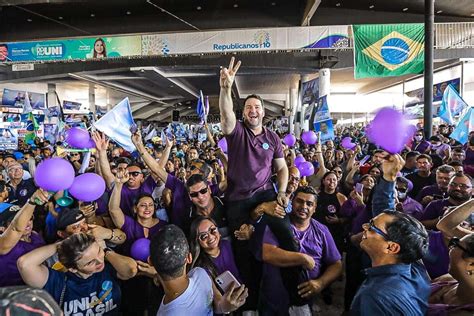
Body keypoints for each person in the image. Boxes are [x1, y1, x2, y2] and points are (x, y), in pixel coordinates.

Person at [261, 186, 343, 315]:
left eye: (309, 204)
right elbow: (268, 253)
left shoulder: (322, 231)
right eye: (299, 201)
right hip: (274, 299)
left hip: (304, 300)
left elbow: (336, 264)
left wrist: (320, 283)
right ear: (292, 202)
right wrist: (303, 258)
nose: (304, 206)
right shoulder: (278, 224)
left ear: (315, 208)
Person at [17, 232, 138, 315]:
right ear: (73, 268)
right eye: (90, 262)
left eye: (99, 251)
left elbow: (131, 270)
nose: (100, 261)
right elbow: (24, 264)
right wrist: (61, 245)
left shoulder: (108, 269)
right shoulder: (57, 281)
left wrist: (105, 251)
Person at [149, 224, 248, 315]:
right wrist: (225, 307)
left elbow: (216, 304)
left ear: (150, 261)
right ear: (189, 258)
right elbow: (218, 305)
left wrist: (223, 306)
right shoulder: (200, 274)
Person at [350, 211, 431, 315]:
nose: (365, 227)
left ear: (392, 247)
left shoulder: (374, 296)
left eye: (372, 228)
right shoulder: (414, 266)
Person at [431, 199, 474, 314]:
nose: (450, 248)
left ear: (471, 265)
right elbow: (445, 225)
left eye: (455, 243)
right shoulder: (447, 281)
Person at [0, 189, 49, 286]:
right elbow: (16, 229)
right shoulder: (2, 244)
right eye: (19, 221)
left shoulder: (35, 236)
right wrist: (32, 202)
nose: (27, 223)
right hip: (11, 296)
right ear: (2, 228)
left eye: (29, 218)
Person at [189, 216, 242, 283]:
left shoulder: (226, 244)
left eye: (212, 230)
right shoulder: (201, 267)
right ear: (197, 241)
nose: (210, 237)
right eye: (203, 236)